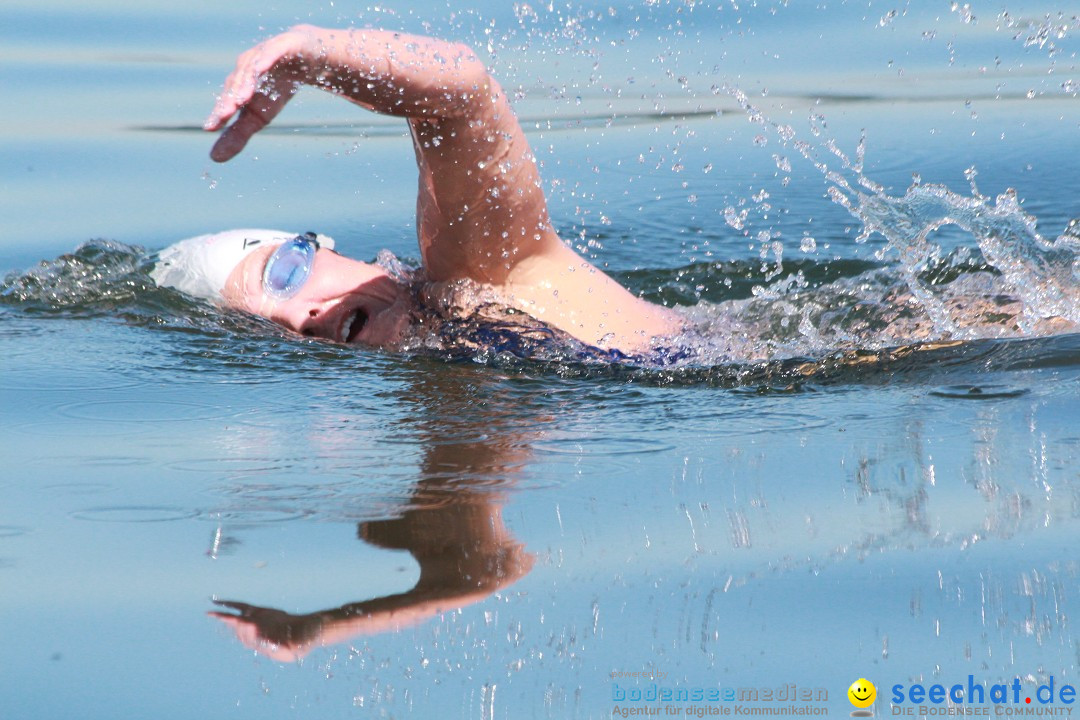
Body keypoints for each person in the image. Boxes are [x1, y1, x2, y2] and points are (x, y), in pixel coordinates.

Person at [151, 25, 680, 356]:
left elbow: (464, 92)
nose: (300, 319)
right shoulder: (442, 378)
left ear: (328, 250)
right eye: (270, 331)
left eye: (284, 275)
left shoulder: (481, 272)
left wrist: (316, 57)